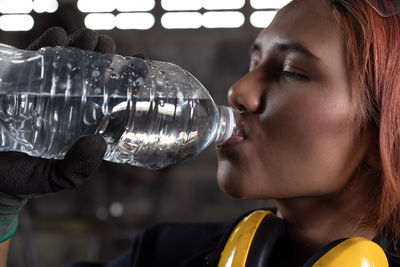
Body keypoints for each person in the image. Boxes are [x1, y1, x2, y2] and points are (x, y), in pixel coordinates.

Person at [1, 0, 400, 266]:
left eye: (291, 72)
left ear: (386, 127)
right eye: (253, 62)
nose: (238, 91)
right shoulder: (167, 255)